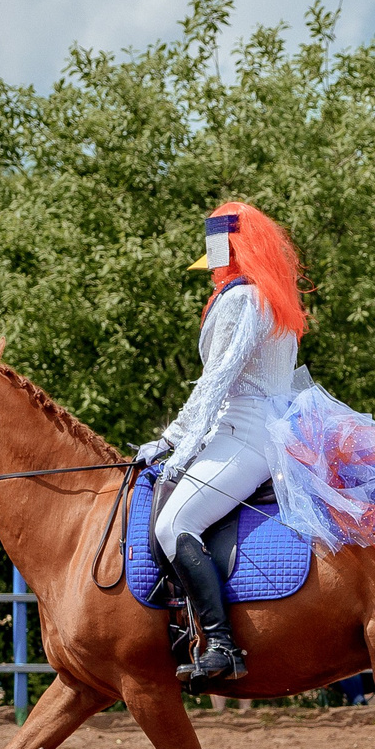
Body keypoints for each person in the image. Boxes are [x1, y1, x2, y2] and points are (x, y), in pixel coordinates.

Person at [134, 202, 309, 684]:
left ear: (229, 250)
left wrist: (172, 443)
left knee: (175, 522)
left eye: (215, 255)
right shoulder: (264, 295)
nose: (210, 267)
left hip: (246, 435)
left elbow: (217, 381)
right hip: (250, 429)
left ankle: (222, 646)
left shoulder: (241, 300)